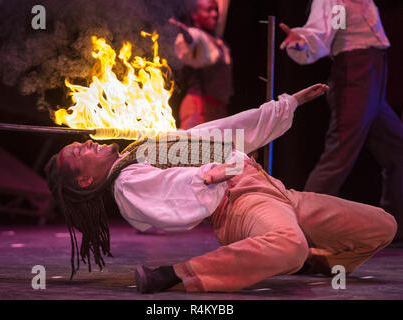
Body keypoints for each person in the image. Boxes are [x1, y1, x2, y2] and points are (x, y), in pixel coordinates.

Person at [45, 83, 397, 293]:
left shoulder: (141, 149)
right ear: (86, 180)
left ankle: (311, 262)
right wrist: (207, 177)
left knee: (384, 226)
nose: (85, 144)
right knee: (289, 245)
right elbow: (171, 194)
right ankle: (176, 276)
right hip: (240, 203)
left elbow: (217, 133)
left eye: (80, 144)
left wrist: (287, 105)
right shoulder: (127, 184)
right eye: (78, 152)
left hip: (275, 190)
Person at [279, 0, 403, 241]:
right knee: (340, 154)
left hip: (374, 74)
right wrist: (303, 40)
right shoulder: (334, 1)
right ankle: (300, 229)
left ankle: (395, 228)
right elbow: (323, 32)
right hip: (355, 75)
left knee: (398, 149)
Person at [169, 0, 233, 129]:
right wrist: (187, 38)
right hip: (198, 108)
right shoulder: (196, 35)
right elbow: (191, 43)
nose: (214, 14)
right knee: (193, 148)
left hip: (218, 109)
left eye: (216, 10)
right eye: (208, 10)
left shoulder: (216, 39)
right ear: (195, 15)